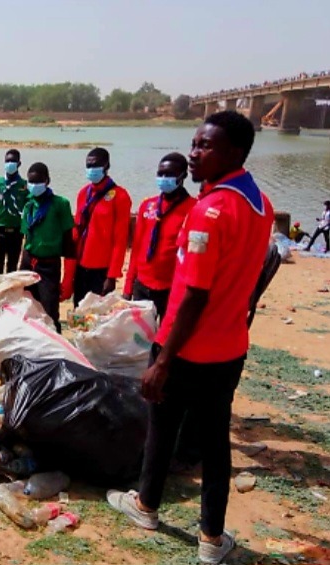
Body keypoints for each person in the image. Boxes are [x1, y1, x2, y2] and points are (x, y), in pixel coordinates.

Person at [107, 111, 274, 565]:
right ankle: (211, 540)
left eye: (204, 146)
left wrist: (163, 361)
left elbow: (195, 295)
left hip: (186, 348)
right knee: (215, 443)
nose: (194, 154)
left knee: (162, 428)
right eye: (194, 144)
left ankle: (146, 507)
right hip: (230, 347)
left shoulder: (208, 211)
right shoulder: (261, 203)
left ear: (233, 153)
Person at [123, 153, 196, 321]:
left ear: (183, 176)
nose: (163, 178)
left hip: (172, 287)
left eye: (169, 174)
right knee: (139, 338)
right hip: (142, 284)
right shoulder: (148, 206)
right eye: (160, 174)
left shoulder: (193, 209)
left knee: (165, 339)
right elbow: (137, 247)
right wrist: (128, 286)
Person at [68, 147, 132, 306]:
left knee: (97, 318)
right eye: (88, 166)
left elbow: (120, 239)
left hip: (102, 269)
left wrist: (112, 276)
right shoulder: (84, 193)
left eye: (95, 165)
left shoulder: (120, 196)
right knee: (80, 313)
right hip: (81, 264)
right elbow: (77, 229)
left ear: (106, 165)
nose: (91, 169)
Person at [19, 163, 74, 331]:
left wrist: (68, 278)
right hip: (29, 260)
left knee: (49, 311)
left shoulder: (60, 204)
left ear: (47, 181)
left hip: (48, 264)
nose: (34, 185)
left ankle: (55, 347)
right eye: (30, 181)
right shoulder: (28, 205)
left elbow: (69, 241)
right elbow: (27, 237)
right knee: (27, 306)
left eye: (38, 181)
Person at [0, 149, 29, 278]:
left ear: (19, 163)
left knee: (12, 269)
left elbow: (29, 210)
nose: (10, 163)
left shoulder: (24, 186)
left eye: (13, 161)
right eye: (7, 161)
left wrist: (28, 231)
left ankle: (9, 297)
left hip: (16, 232)